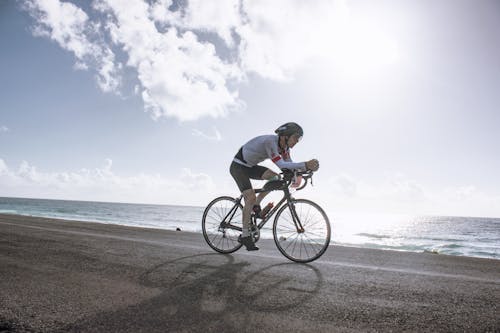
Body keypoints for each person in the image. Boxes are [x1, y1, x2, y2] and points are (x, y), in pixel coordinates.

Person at [229, 122, 320, 251]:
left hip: (250, 166)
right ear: (285, 136)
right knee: (249, 198)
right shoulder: (270, 142)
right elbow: (283, 165)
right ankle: (245, 234)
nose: (297, 141)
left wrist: (303, 172)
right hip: (238, 166)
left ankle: (257, 205)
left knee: (276, 177)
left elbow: (290, 165)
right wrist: (305, 164)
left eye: (299, 139)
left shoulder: (285, 149)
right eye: (296, 137)